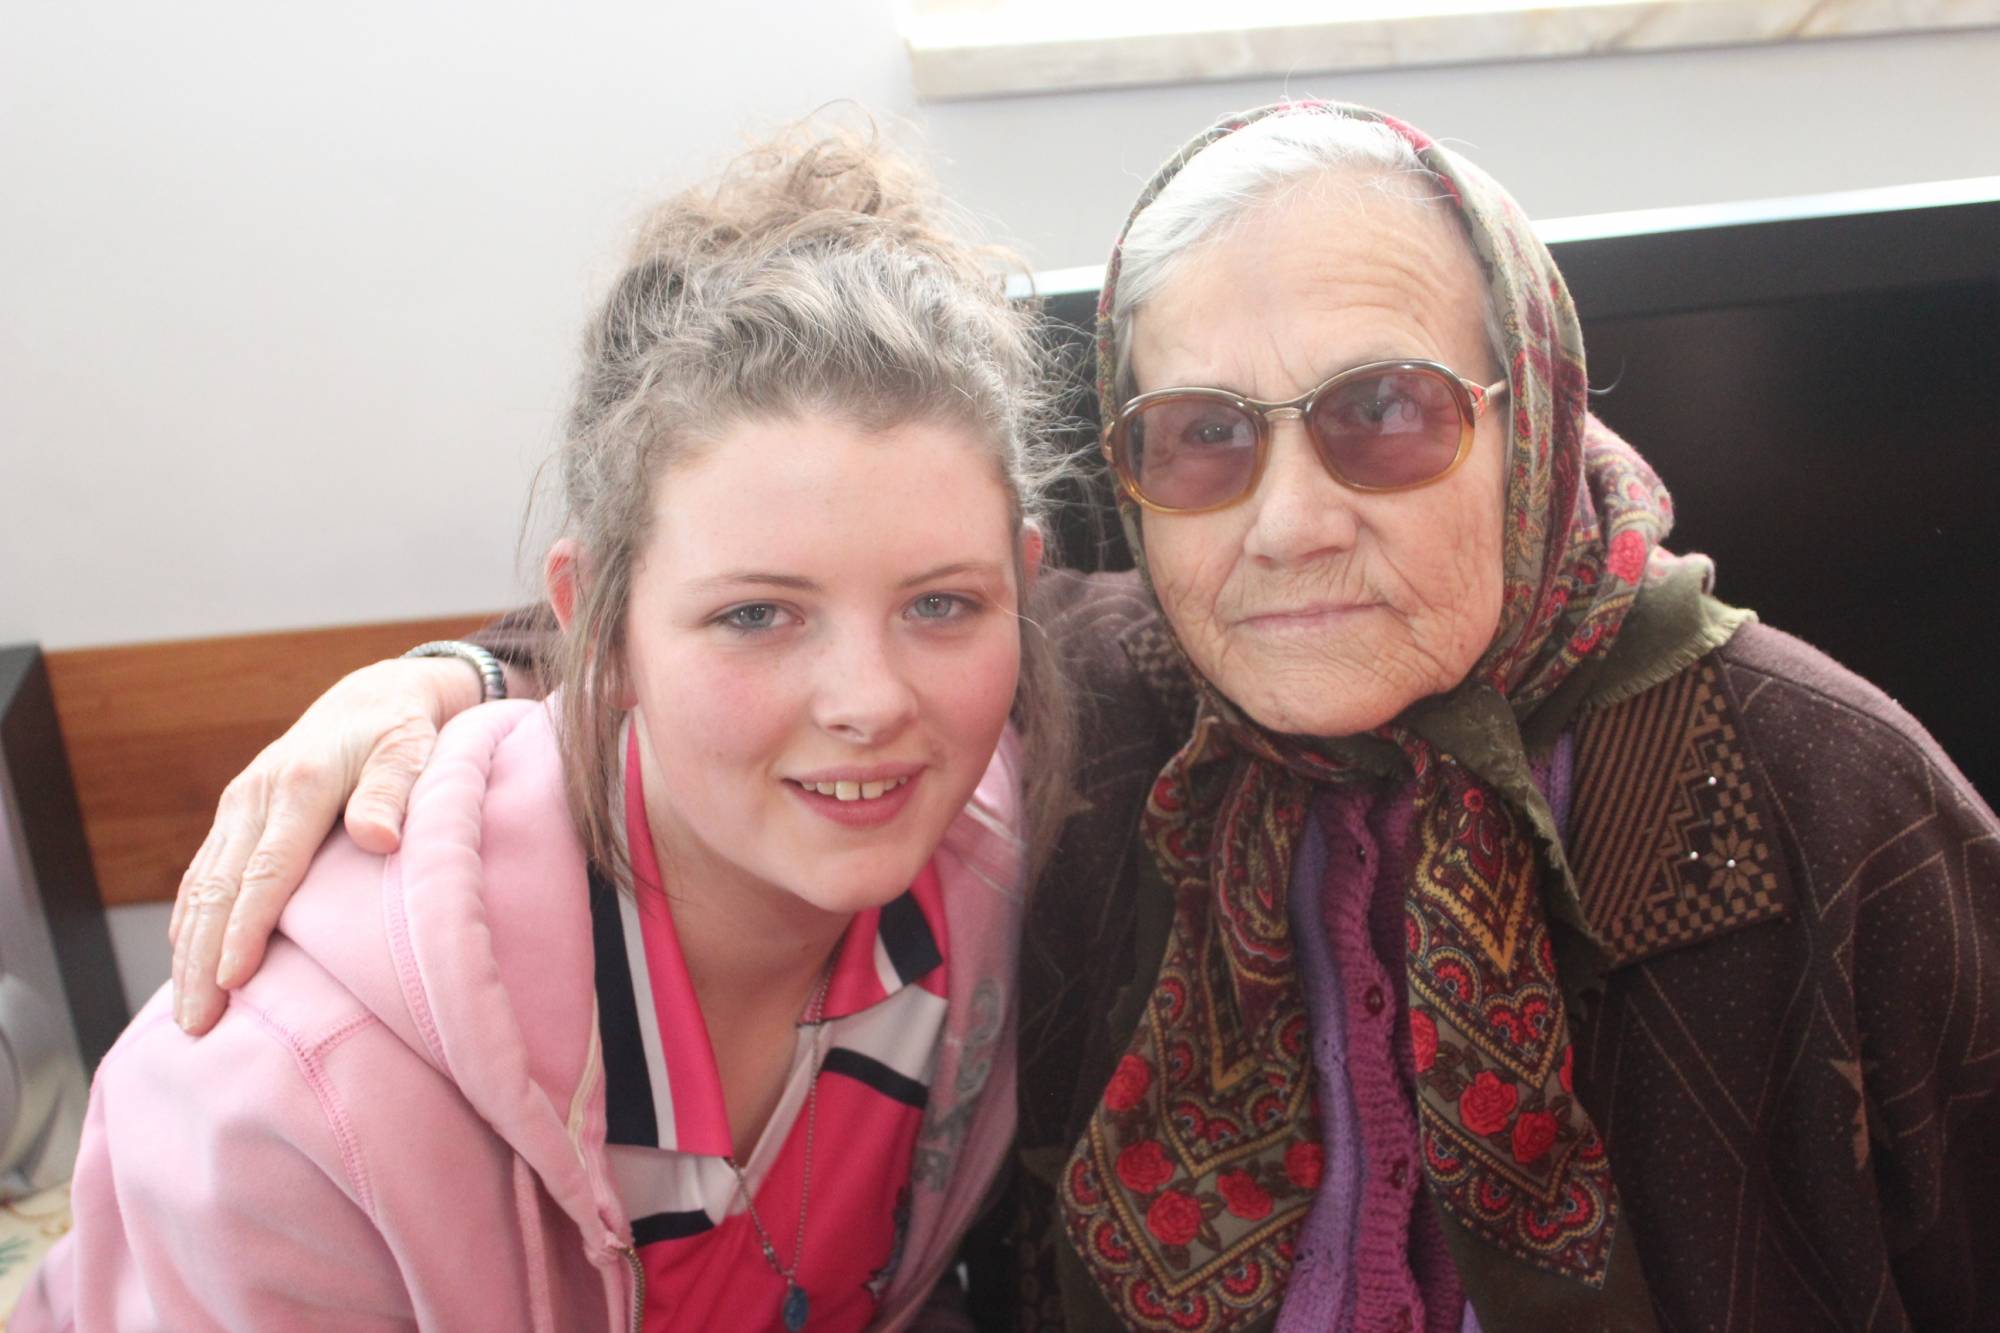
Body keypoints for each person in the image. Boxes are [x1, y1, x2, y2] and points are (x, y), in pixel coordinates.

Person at [157, 102, 1999, 1331]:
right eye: (1200, 436)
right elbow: (732, 611)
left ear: (1535, 409)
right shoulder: (1114, 698)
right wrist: (450, 674)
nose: (1288, 521)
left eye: (1385, 411)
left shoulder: (1828, 799)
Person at [19, 127, 1074, 1332]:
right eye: (755, 615)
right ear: (598, 626)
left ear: (1022, 582)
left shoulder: (989, 876)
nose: (868, 699)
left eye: (940, 605)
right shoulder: (293, 1101)